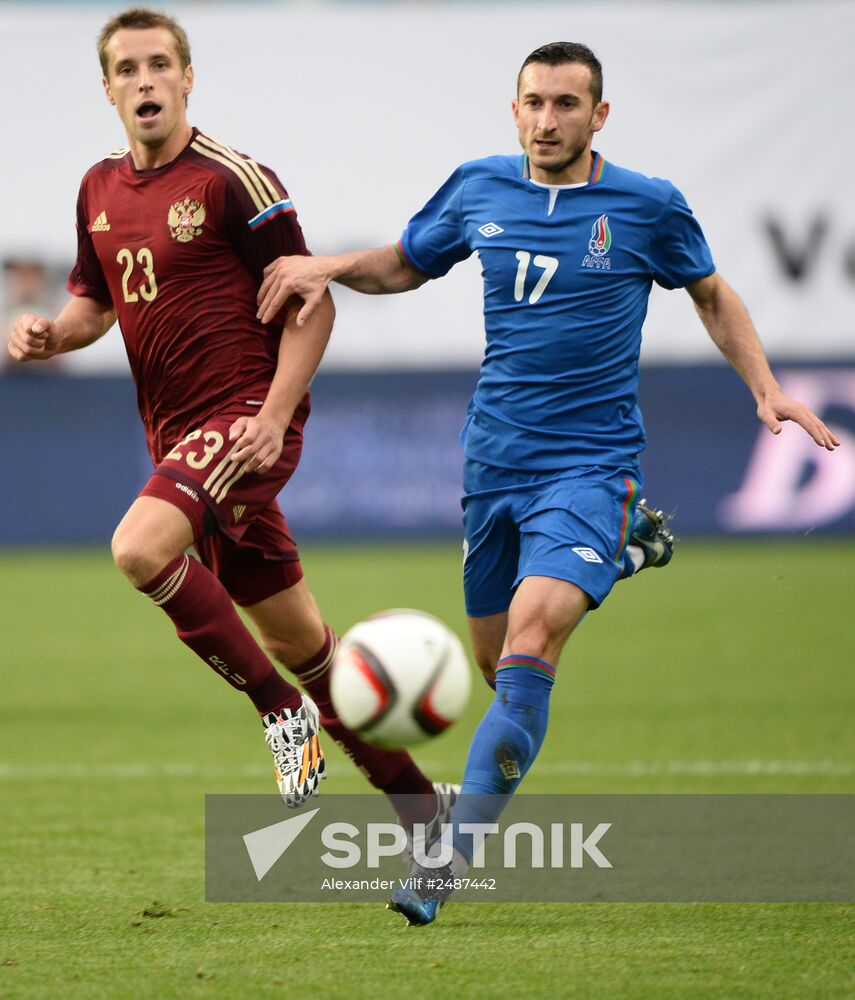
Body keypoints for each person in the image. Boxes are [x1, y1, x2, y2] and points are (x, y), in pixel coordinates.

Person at [254, 40, 840, 923]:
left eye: (566, 104)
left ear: (598, 115)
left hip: (589, 462)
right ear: (514, 108)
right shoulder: (479, 188)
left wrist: (766, 389)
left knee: (529, 648)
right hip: (494, 462)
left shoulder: (645, 206)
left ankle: (447, 862)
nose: (546, 120)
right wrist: (331, 265)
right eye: (533, 102)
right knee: (493, 664)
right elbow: (408, 262)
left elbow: (711, 294)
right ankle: (626, 550)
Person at [5, 6, 458, 838]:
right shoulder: (98, 189)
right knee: (307, 649)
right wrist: (48, 334)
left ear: (187, 77)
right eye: (128, 70)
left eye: (159, 66)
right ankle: (428, 813)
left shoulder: (232, 179)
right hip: (176, 435)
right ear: (106, 88)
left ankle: (278, 714)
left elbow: (311, 305)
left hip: (243, 418)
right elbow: (93, 304)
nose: (145, 82)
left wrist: (276, 415)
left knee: (139, 548)